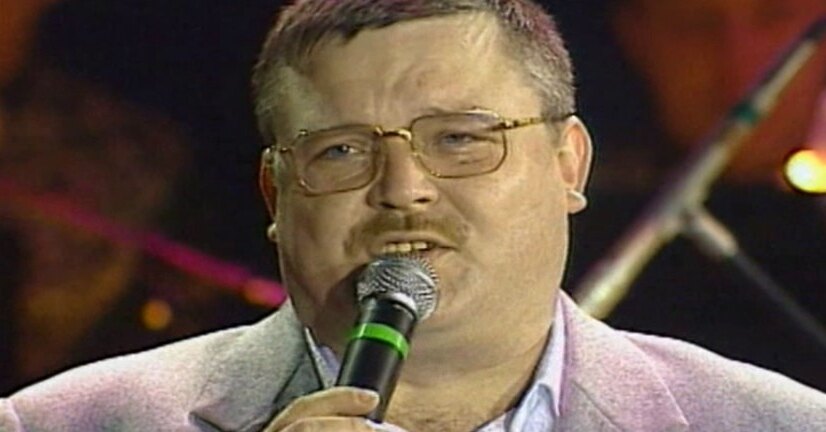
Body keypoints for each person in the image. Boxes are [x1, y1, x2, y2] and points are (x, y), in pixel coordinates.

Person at [3, 1, 826, 430]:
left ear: (568, 163)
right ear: (276, 197)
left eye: (460, 139)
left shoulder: (777, 425)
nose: (403, 189)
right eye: (341, 152)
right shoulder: (57, 425)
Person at [567, 0, 826, 390]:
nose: (738, 65)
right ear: (636, 36)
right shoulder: (560, 236)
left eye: (774, 15)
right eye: (695, 26)